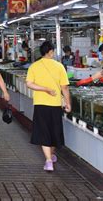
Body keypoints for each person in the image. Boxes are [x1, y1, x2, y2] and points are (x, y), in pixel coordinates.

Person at [26, 41, 71, 172]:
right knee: (54, 131)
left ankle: (49, 159)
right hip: (56, 104)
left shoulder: (34, 66)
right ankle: (50, 156)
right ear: (51, 51)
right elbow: (65, 88)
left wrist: (43, 89)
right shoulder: (59, 66)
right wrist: (68, 103)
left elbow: (29, 84)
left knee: (43, 132)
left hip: (40, 104)